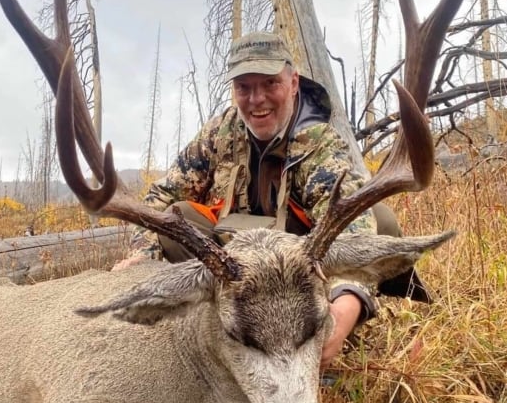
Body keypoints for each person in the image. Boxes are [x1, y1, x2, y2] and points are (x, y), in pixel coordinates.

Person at [115, 32, 387, 367]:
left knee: (379, 220)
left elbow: (351, 232)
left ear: (293, 83)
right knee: (178, 215)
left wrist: (346, 304)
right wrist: (143, 258)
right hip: (231, 271)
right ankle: (213, 334)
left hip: (296, 278)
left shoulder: (320, 145)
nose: (256, 99)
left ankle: (316, 326)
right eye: (244, 87)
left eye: (270, 83)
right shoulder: (220, 132)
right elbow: (160, 198)